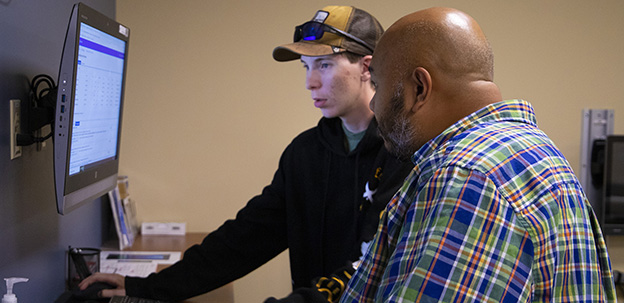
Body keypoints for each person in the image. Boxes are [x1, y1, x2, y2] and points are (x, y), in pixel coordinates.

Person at [79, 5, 413, 302]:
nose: (310, 82)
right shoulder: (304, 154)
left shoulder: (402, 154)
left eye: (324, 65)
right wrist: (146, 287)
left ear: (366, 67)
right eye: (306, 67)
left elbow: (371, 267)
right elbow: (246, 238)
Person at [340, 7, 617, 303]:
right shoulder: (531, 154)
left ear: (419, 88)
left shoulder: (469, 177)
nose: (373, 106)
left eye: (377, 87)